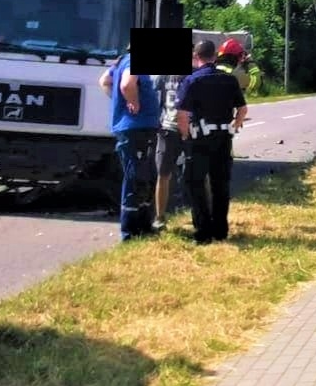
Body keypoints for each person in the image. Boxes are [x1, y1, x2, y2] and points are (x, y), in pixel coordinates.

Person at [175, 40, 249, 244]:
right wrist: (235, 126)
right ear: (215, 57)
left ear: (196, 57)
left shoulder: (192, 80)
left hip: (199, 139)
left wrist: (184, 135)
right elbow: (242, 110)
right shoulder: (230, 80)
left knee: (195, 183)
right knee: (220, 185)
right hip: (224, 138)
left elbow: (182, 114)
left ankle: (203, 232)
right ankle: (220, 230)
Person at [99, 44, 161, 241]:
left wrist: (119, 100)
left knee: (146, 175)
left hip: (135, 127)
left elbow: (104, 81)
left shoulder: (121, 62)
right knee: (136, 177)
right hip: (137, 128)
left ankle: (143, 224)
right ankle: (130, 231)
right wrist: (133, 102)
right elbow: (126, 85)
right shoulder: (134, 62)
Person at [151, 69, 189, 230]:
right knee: (199, 174)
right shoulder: (194, 74)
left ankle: (160, 218)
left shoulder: (163, 76)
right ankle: (201, 213)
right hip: (189, 130)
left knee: (163, 175)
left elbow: (155, 102)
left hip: (168, 129)